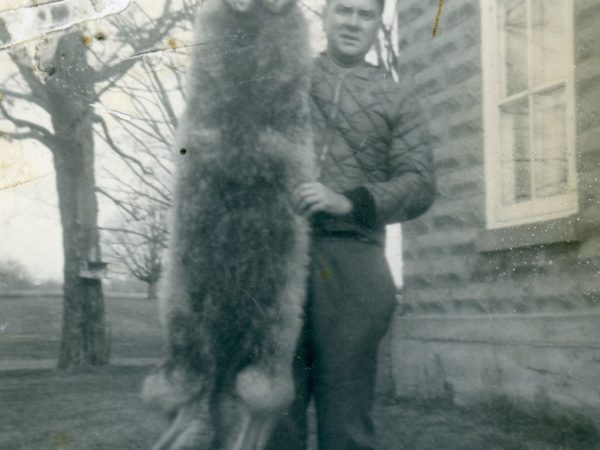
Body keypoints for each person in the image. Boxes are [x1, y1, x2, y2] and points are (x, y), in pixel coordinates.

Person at [266, 0, 435, 449]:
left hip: (354, 260)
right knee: (275, 411)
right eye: (344, 10)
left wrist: (348, 201)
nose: (354, 23)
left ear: (378, 23)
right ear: (324, 15)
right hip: (281, 259)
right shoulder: (284, 81)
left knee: (346, 420)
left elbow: (419, 182)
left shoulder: (397, 95)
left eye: (366, 14)